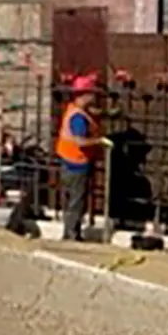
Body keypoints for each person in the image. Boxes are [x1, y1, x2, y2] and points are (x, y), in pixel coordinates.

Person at [55, 75, 112, 241]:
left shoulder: (74, 109)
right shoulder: (78, 117)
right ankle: (71, 234)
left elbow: (95, 113)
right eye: (92, 93)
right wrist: (99, 141)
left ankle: (72, 231)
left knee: (73, 200)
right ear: (85, 94)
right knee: (76, 202)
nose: (95, 97)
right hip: (76, 165)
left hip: (70, 162)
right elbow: (80, 141)